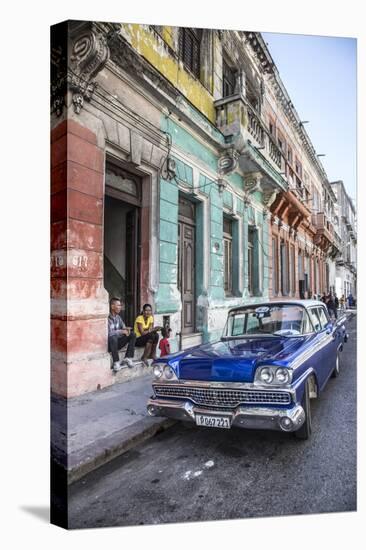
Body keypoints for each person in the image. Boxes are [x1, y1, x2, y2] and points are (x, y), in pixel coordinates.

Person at [108, 297, 136, 372]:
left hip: (118, 343)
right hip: (109, 345)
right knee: (112, 337)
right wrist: (121, 331)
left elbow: (123, 328)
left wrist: (127, 330)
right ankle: (116, 362)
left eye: (120, 305)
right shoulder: (107, 318)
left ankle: (128, 357)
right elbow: (108, 333)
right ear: (112, 306)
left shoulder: (118, 318)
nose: (120, 307)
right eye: (118, 305)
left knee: (133, 334)